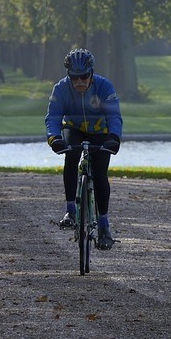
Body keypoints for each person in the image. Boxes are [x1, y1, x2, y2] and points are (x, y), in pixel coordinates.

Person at [44, 47, 122, 249]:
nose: (79, 82)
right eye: (74, 78)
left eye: (84, 77)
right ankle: (70, 210)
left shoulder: (104, 86)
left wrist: (114, 137)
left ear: (92, 73)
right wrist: (54, 138)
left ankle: (104, 225)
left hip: (100, 131)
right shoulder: (60, 89)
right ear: (68, 76)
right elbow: (53, 117)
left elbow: (114, 116)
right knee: (70, 157)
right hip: (74, 128)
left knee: (100, 174)